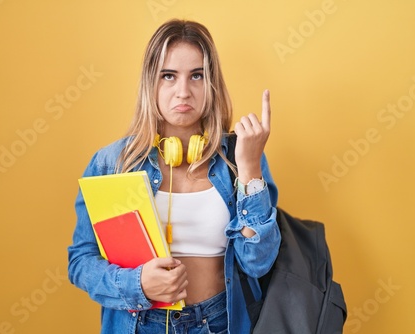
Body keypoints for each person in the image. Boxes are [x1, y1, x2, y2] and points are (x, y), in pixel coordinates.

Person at [68, 19, 281, 334]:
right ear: (150, 83)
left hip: (220, 322)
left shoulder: (241, 157)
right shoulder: (112, 163)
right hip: (139, 324)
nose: (184, 92)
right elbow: (81, 261)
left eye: (197, 75)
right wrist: (135, 283)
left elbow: (257, 263)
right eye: (169, 76)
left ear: (211, 83)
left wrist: (249, 168)